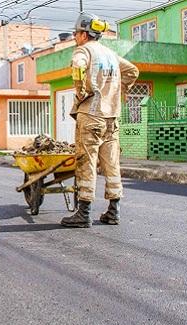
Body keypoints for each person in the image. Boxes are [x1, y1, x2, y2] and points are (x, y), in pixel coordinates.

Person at [61, 13, 139, 228]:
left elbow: (77, 66)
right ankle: (113, 211)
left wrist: (81, 91)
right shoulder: (110, 54)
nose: (75, 37)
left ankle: (83, 214)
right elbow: (132, 71)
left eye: (76, 33)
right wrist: (118, 90)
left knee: (86, 162)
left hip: (92, 116)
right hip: (111, 118)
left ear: (84, 34)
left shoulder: (83, 50)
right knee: (111, 164)